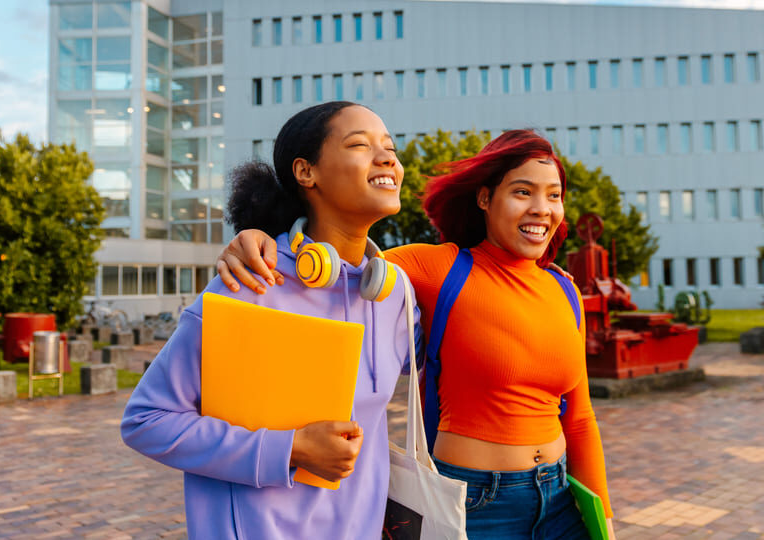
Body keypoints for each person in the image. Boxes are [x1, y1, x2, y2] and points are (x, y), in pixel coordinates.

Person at [218, 129, 617, 539]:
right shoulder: (438, 269)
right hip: (476, 504)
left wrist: (602, 519)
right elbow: (331, 260)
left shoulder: (564, 290)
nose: (541, 209)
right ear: (484, 198)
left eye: (554, 196)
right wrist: (263, 237)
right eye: (522, 192)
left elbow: (581, 418)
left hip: (560, 501)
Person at [121, 102, 419, 540]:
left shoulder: (394, 294)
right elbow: (147, 420)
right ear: (306, 172)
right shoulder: (250, 280)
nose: (387, 158)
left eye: (390, 148)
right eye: (359, 145)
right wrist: (290, 448)